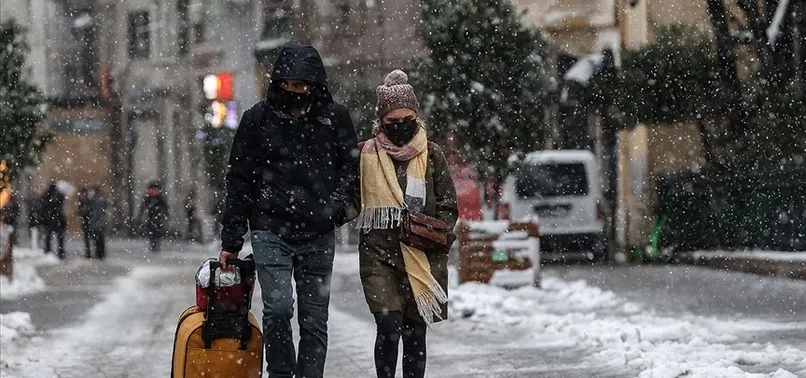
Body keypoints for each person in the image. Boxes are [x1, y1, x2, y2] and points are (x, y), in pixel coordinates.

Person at [218, 43, 359, 378]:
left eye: (301, 84)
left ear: (314, 84)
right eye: (288, 84)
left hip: (318, 233)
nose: (294, 91)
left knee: (314, 320)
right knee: (278, 308)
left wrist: (334, 210)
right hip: (270, 230)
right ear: (277, 82)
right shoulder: (256, 120)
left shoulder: (334, 118)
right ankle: (281, 373)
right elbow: (239, 180)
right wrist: (232, 240)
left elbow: (350, 170)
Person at [352, 70, 458, 378]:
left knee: (415, 331)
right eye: (393, 121)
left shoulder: (432, 154)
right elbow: (351, 201)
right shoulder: (366, 155)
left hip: (422, 255)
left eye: (407, 119)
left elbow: (449, 204)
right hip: (378, 255)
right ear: (381, 121)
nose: (401, 125)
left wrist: (431, 231)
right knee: (388, 326)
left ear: (416, 116)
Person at [138, 182, 168, 252]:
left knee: (157, 232)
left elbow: (165, 207)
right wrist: (140, 216)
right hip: (150, 218)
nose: (153, 192)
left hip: (158, 218)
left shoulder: (160, 199)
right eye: (152, 190)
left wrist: (165, 215)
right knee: (151, 232)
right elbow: (142, 207)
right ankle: (153, 244)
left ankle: (156, 244)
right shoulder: (148, 199)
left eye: (155, 190)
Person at [41, 181, 68, 259]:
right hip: (56, 219)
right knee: (59, 237)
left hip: (51, 219)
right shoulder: (58, 195)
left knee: (50, 236)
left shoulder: (48, 195)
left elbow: (44, 206)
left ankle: (50, 251)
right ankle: (60, 252)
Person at [85, 186, 107, 259]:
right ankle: (100, 253)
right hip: (100, 223)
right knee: (99, 239)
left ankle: (99, 253)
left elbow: (96, 212)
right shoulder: (99, 199)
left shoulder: (96, 200)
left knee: (98, 239)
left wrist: (92, 219)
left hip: (97, 223)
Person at [77, 187, 92, 258]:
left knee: (90, 237)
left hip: (89, 221)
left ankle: (89, 252)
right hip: (86, 221)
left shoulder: (88, 200)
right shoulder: (83, 200)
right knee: (87, 238)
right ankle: (88, 252)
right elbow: (79, 211)